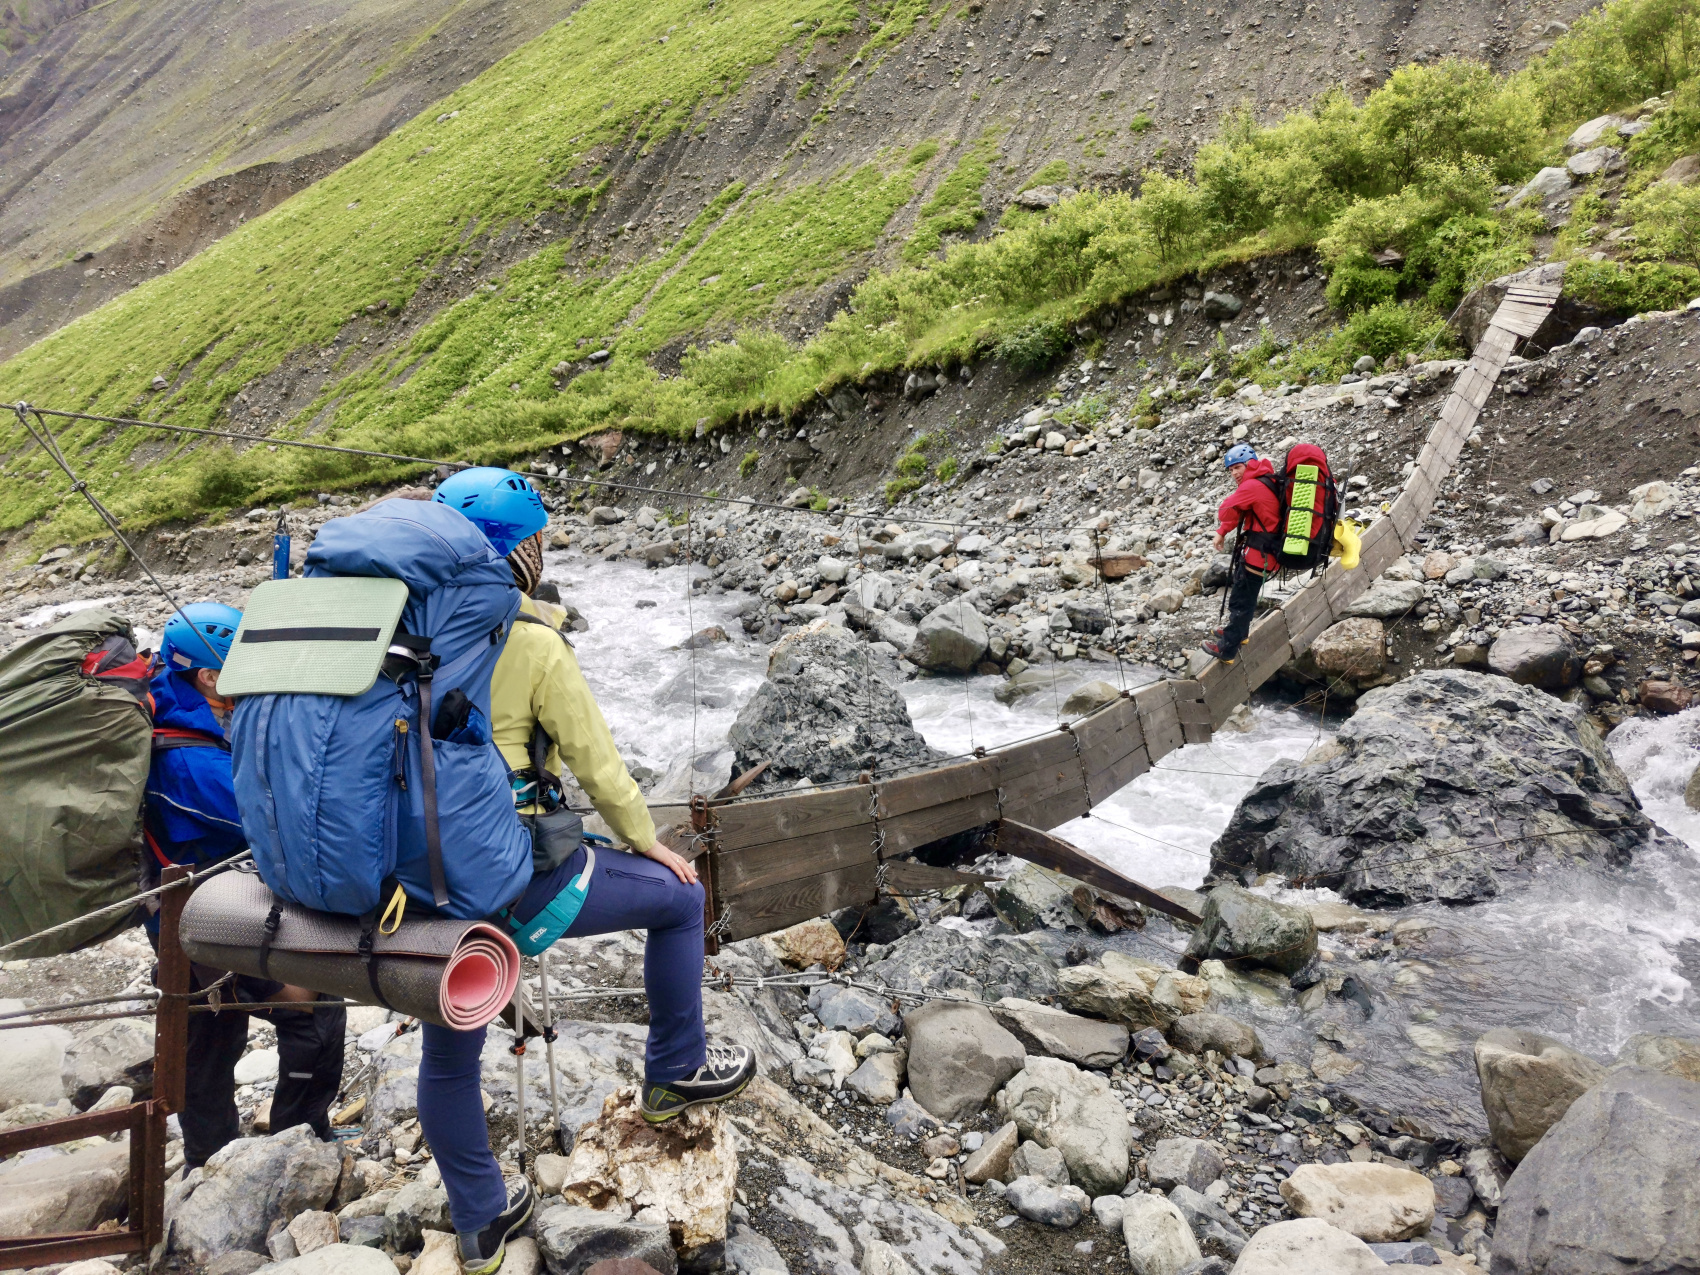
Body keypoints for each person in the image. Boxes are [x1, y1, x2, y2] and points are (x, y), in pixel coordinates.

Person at [422, 468, 756, 1274]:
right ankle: (673, 1073)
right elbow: (600, 768)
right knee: (678, 899)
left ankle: (478, 1228)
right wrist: (648, 842)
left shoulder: (402, 635)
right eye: (537, 537)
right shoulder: (532, 642)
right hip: (512, 877)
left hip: (413, 883)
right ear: (518, 553)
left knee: (447, 1054)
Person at [143, 602, 345, 1168]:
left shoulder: (191, 711)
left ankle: (211, 1157)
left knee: (211, 1035)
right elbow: (265, 823)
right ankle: (296, 1145)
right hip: (203, 923)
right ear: (209, 676)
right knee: (312, 1004)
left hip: (192, 914)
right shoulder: (186, 762)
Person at [1202, 443, 1281, 664]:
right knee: (1245, 595)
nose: (1234, 473)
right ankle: (1240, 634)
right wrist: (1222, 532)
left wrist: (1232, 503)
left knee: (1241, 601)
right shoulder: (1266, 479)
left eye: (1237, 467)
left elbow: (1226, 510)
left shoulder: (1251, 487)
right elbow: (1238, 515)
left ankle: (1227, 648)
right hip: (1267, 553)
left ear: (1249, 463)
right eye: (1230, 470)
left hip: (1259, 554)